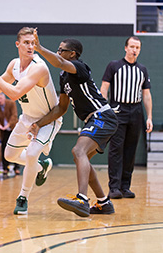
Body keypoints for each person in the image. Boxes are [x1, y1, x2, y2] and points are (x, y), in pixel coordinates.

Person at [29, 30, 117, 217]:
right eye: (58, 49)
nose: (58, 52)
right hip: (93, 119)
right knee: (81, 157)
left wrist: (39, 48)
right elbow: (61, 108)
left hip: (102, 116)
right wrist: (38, 124)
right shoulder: (63, 77)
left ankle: (82, 200)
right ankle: (104, 202)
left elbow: (59, 62)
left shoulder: (80, 67)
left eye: (61, 50)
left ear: (72, 54)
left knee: (78, 151)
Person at [0, 27, 62, 215]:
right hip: (27, 119)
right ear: (18, 44)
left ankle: (23, 197)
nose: (30, 46)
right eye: (26, 43)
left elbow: (14, 94)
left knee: (32, 154)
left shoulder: (38, 67)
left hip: (47, 120)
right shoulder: (14, 65)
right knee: (9, 156)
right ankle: (43, 166)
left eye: (33, 43)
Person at [100, 36, 153, 199]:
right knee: (116, 149)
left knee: (131, 150)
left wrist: (149, 117)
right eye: (131, 46)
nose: (134, 50)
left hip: (136, 112)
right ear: (125, 48)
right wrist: (104, 111)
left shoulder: (142, 70)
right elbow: (104, 88)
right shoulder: (114, 66)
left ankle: (125, 186)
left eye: (137, 47)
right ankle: (114, 187)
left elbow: (147, 95)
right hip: (117, 110)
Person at [0, 93, 19, 174]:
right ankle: (5, 168)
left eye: (0, 99)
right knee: (4, 148)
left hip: (13, 128)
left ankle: (16, 167)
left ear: (4, 98)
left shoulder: (11, 103)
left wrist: (8, 125)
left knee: (15, 147)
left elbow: (14, 116)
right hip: (3, 131)